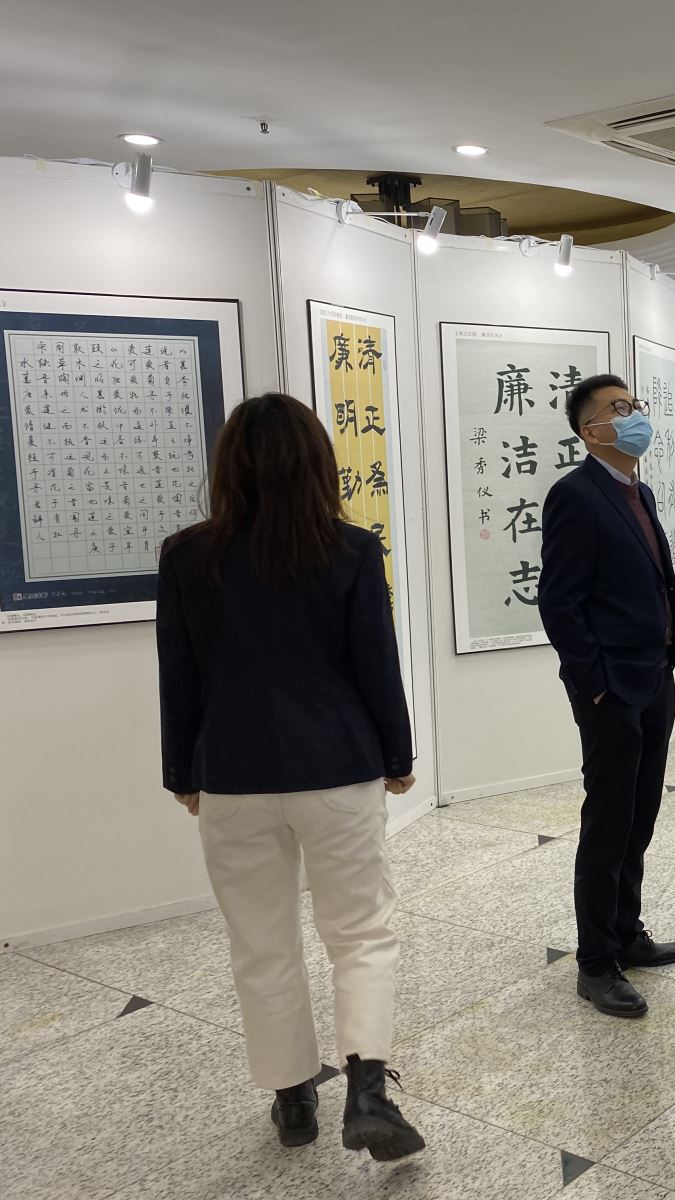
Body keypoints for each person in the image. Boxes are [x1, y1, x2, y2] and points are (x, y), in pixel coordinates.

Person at [156, 393, 424, 1160]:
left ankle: (293, 1100)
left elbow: (179, 676)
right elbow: (376, 665)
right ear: (317, 463)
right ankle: (367, 1089)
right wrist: (398, 757)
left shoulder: (186, 556)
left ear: (229, 466)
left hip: (232, 774)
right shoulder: (350, 549)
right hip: (337, 768)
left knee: (260, 941)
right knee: (361, 931)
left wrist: (182, 772)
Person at [540, 374, 675, 1020]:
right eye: (618, 408)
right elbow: (559, 603)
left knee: (641, 814)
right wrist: (597, 686)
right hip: (612, 691)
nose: (633, 416)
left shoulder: (639, 491)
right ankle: (596, 960)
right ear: (590, 431)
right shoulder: (574, 496)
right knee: (608, 821)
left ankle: (627, 931)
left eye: (634, 405)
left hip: (653, 678)